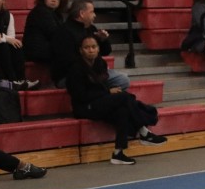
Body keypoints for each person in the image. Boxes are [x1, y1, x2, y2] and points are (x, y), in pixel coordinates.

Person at [66, 35, 166, 165]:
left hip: (100, 101)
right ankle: (144, 131)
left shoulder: (100, 63)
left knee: (122, 110)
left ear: (98, 48)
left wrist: (107, 93)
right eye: (87, 47)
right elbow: (80, 96)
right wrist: (108, 92)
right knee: (124, 97)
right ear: (80, 50)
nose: (91, 50)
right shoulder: (75, 69)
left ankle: (118, 153)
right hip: (84, 107)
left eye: (93, 47)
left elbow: (102, 85)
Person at [50, 0, 130, 91]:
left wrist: (103, 40)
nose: (94, 15)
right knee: (115, 81)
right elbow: (67, 61)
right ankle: (103, 93)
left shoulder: (91, 28)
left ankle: (102, 93)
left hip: (94, 72)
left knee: (122, 79)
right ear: (82, 13)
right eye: (92, 12)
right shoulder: (64, 32)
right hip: (71, 76)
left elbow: (105, 52)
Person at [24, 0, 70, 65]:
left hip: (46, 48)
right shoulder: (41, 12)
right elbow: (54, 33)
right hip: (37, 51)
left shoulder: (56, 14)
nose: (53, 0)